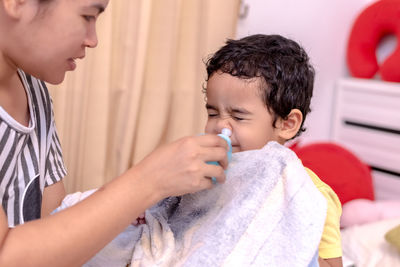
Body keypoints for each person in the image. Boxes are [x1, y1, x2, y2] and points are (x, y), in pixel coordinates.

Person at [0, 0, 229, 266]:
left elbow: (55, 223)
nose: (93, 40)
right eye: (87, 16)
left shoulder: (34, 91)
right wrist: (149, 181)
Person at [203, 34, 343, 267]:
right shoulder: (210, 172)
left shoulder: (310, 196)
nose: (220, 126)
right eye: (213, 113)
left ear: (287, 124)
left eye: (238, 116)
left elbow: (330, 263)